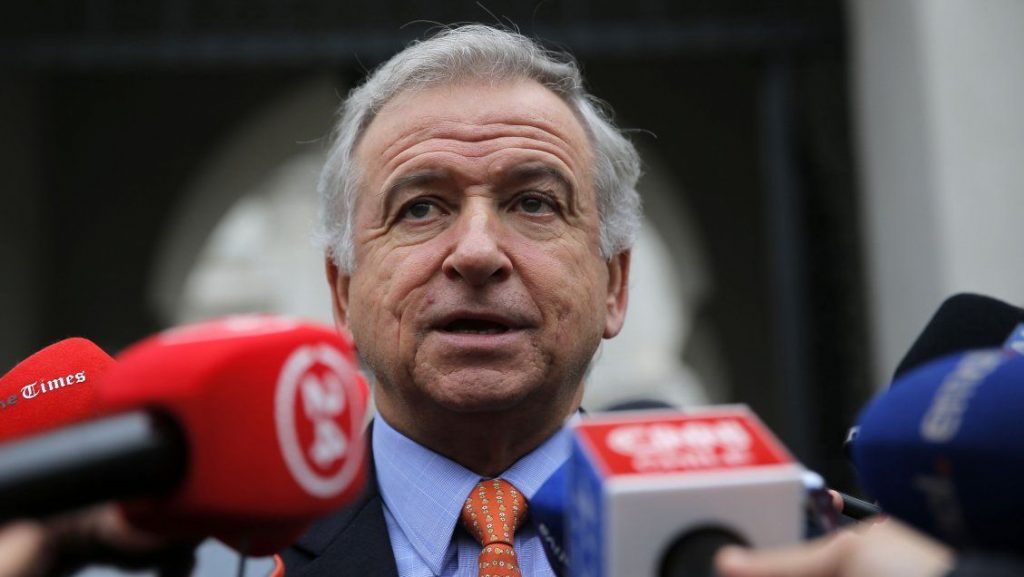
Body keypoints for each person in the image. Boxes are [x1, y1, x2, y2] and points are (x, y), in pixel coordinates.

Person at [278, 24, 639, 576]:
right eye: (420, 208)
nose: (476, 252)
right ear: (343, 292)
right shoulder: (241, 558)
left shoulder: (719, 540)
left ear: (614, 283)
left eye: (534, 203)